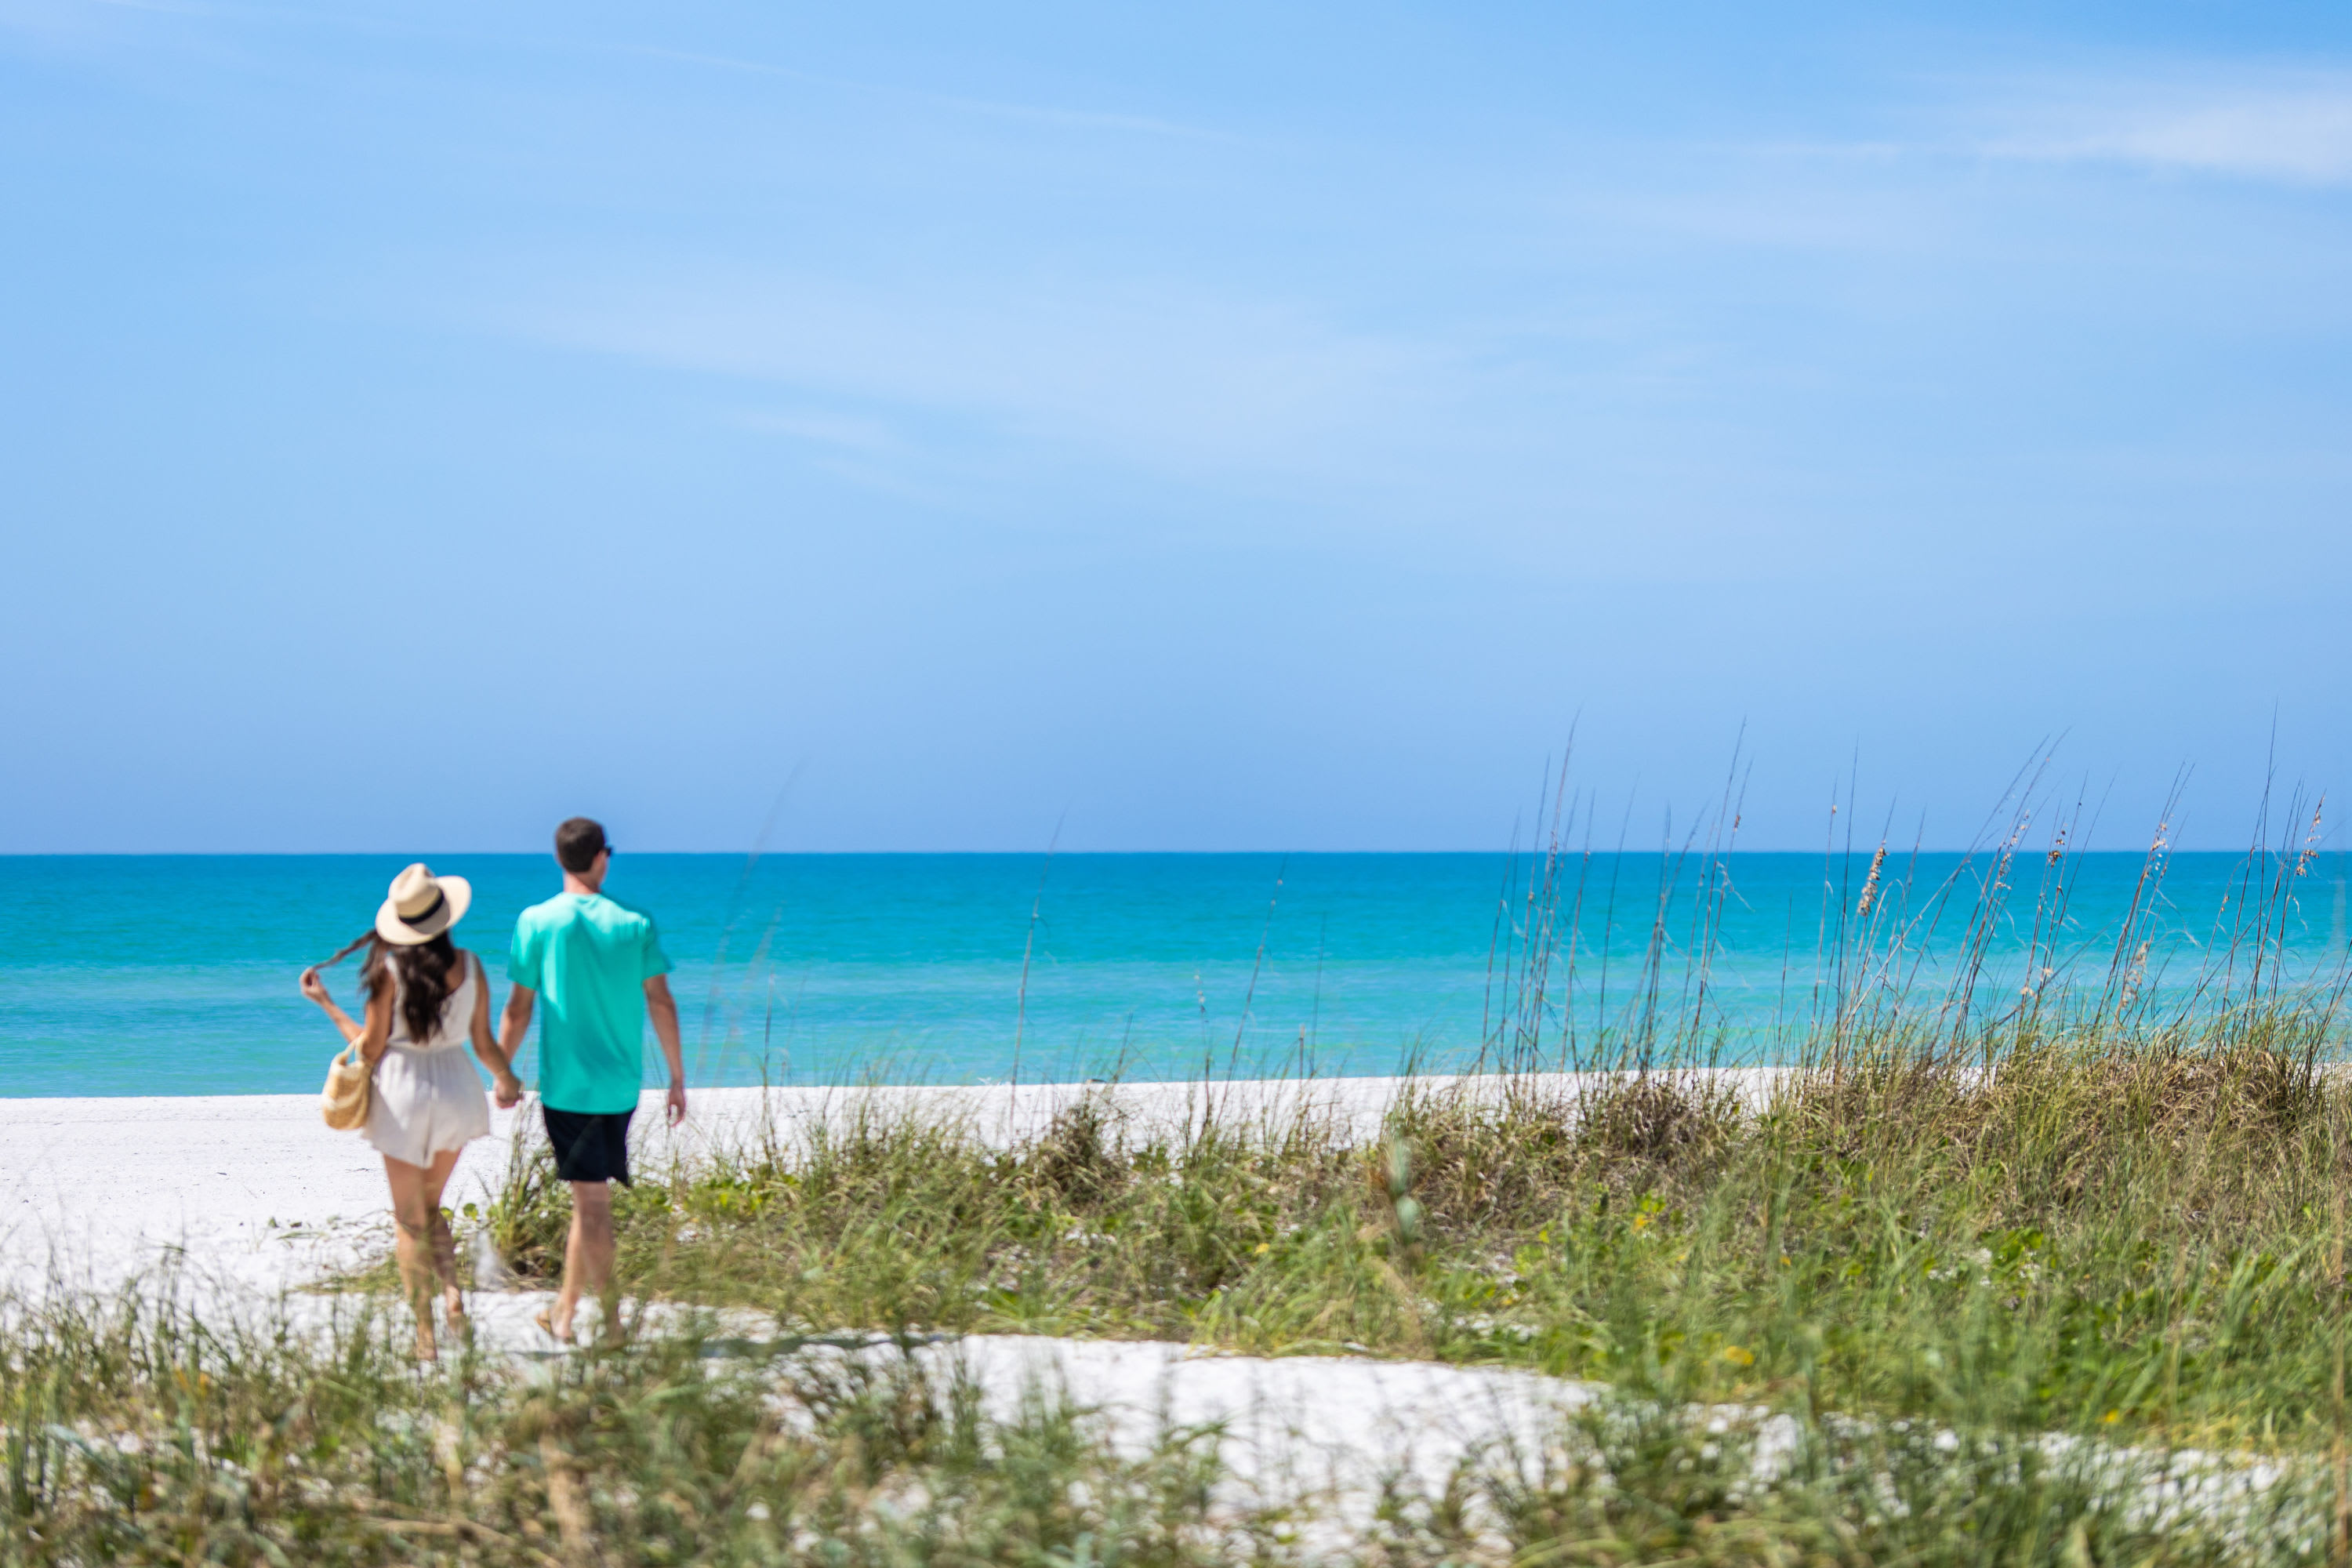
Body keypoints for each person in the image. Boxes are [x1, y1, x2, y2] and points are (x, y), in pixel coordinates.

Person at [299, 863, 525, 1360]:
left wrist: (328, 1006)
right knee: (429, 1209)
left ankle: (425, 1337)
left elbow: (372, 1049)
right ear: (444, 917)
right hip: (456, 1089)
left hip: (402, 1094)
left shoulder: (389, 972)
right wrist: (507, 1081)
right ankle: (453, 1299)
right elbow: (484, 1043)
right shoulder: (470, 965)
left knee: (408, 1220)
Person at [497, 816, 687, 1345]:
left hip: (568, 1087)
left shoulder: (537, 920)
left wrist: (502, 1070)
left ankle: (611, 1324)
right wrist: (676, 1075)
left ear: (560, 859)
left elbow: (518, 1008)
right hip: (621, 1084)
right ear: (601, 856)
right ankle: (562, 1311)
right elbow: (661, 1001)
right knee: (590, 1196)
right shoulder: (635, 921)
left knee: (592, 1202)